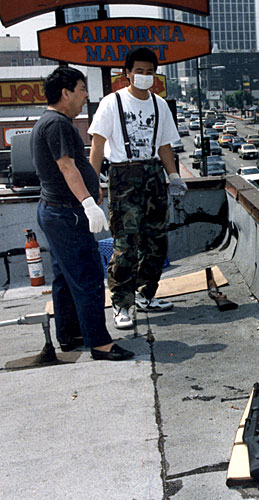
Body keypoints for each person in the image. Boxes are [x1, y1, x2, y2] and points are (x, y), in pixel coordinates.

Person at [32, 67, 134, 361]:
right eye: (81, 89)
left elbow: (73, 165)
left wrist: (93, 187)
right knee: (88, 277)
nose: (85, 95)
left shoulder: (50, 122)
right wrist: (88, 203)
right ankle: (99, 343)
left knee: (65, 277)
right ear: (65, 93)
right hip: (68, 214)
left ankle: (70, 334)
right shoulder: (58, 124)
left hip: (55, 212)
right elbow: (67, 166)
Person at [89, 47, 187, 330]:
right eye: (139, 71)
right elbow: (97, 146)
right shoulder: (112, 103)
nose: (145, 76)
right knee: (126, 244)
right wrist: (94, 182)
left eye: (150, 72)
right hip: (124, 175)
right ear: (127, 73)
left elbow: (165, 145)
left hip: (153, 174)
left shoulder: (160, 105)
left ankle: (146, 294)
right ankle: (122, 304)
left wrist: (174, 176)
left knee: (156, 241)